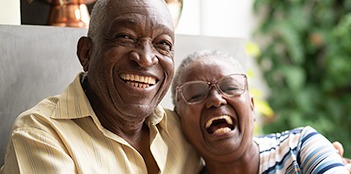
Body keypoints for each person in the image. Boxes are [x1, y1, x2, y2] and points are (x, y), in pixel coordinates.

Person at [0, 0, 202, 173]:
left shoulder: (181, 130)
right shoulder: (41, 135)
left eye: (163, 44)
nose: (146, 59)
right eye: (126, 37)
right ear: (86, 53)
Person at [171, 50, 351, 174]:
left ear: (252, 106)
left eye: (230, 88)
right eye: (196, 94)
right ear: (179, 120)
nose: (215, 99)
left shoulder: (299, 149)